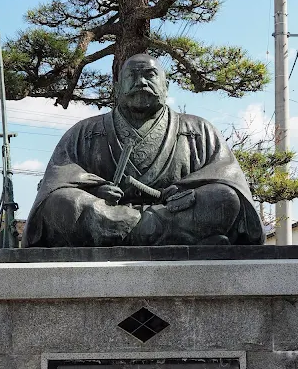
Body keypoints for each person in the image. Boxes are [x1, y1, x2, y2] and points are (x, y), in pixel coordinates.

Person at [23, 54, 263, 247]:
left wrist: (185, 189)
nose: (141, 82)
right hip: (107, 212)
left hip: (176, 211)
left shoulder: (197, 129)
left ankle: (123, 233)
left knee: (224, 198)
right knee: (60, 202)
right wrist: (95, 189)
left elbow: (227, 177)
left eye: (150, 75)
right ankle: (176, 236)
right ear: (117, 87)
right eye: (132, 76)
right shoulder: (84, 132)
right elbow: (58, 181)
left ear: (165, 86)